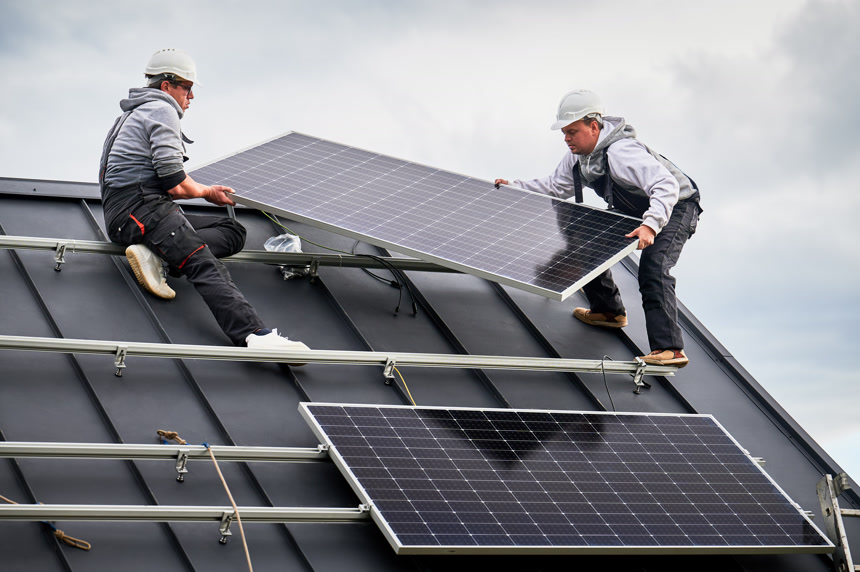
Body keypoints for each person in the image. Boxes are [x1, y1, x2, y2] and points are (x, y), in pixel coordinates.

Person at [98, 48, 309, 354]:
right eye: (187, 87)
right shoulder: (161, 109)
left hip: (128, 215)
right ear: (166, 85)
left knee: (232, 232)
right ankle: (255, 336)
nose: (191, 96)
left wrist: (206, 191)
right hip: (142, 209)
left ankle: (159, 256)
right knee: (204, 264)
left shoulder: (131, 115)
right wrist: (208, 193)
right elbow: (175, 185)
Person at [495, 89, 700, 368]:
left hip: (676, 206)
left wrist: (651, 225)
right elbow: (555, 187)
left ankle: (670, 349)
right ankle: (608, 311)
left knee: (653, 268)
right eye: (564, 133)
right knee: (585, 235)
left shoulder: (622, 152)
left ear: (594, 126)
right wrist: (515, 187)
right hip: (635, 211)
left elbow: (666, 186)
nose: (567, 139)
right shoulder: (578, 157)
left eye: (572, 132)